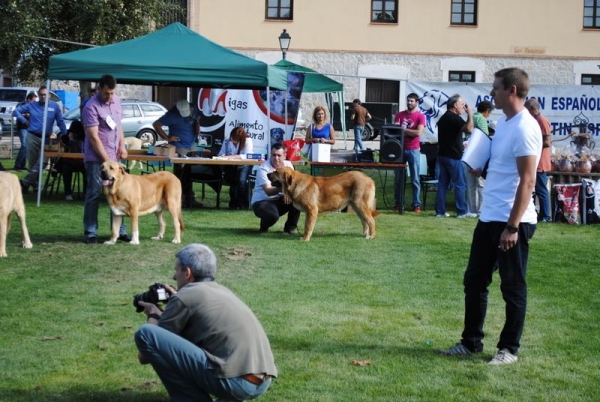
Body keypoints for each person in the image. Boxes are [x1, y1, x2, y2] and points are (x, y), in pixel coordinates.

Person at [437, 67, 542, 365]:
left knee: (512, 285)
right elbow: (504, 167)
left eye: (496, 87)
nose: (491, 92)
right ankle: (470, 343)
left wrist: (512, 227)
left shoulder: (524, 127)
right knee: (474, 280)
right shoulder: (506, 123)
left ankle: (508, 349)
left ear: (511, 90)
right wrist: (482, 167)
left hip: (513, 221)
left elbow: (528, 180)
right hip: (489, 217)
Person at [135, 243, 277, 402]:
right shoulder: (222, 291)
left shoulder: (184, 298)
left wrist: (153, 315)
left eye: (176, 270)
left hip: (236, 383)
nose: (174, 277)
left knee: (145, 333)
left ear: (187, 272)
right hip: (262, 381)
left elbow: (145, 355)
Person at [82, 74, 130, 244]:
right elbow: (94, 137)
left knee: (118, 193)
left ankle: (119, 232)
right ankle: (90, 232)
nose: (109, 96)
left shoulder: (116, 101)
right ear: (99, 88)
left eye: (112, 93)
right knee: (95, 193)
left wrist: (122, 146)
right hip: (97, 160)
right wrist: (107, 163)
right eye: (106, 93)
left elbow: (119, 126)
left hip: (115, 157)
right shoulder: (91, 107)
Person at [13, 86, 67, 193]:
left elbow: (60, 121)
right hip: (32, 136)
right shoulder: (32, 105)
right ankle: (36, 186)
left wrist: (65, 134)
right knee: (33, 163)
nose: (43, 96)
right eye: (41, 94)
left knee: (42, 163)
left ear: (49, 96)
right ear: (39, 95)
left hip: (47, 139)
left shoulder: (55, 106)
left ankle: (24, 182)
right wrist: (24, 121)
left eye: (45, 94)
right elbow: (16, 112)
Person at [153, 99, 200, 207]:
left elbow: (196, 122)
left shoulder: (193, 109)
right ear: (178, 109)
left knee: (190, 173)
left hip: (191, 145)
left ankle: (189, 198)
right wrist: (167, 138)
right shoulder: (171, 114)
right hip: (179, 147)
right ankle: (177, 199)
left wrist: (197, 127)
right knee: (180, 174)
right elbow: (156, 124)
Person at [434, 94, 472, 218]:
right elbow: (469, 129)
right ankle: (462, 211)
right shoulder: (454, 118)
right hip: (453, 156)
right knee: (460, 184)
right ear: (455, 106)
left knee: (442, 185)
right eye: (462, 105)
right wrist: (470, 113)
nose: (463, 107)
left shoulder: (444, 117)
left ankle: (440, 212)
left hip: (442, 155)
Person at [251, 142, 301, 234]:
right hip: (262, 202)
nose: (276, 158)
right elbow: (268, 191)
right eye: (273, 155)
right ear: (270, 155)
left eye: (279, 155)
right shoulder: (263, 169)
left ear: (284, 156)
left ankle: (290, 228)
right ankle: (264, 226)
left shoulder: (288, 165)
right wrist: (285, 189)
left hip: (279, 200)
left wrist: (288, 193)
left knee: (297, 199)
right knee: (272, 216)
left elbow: (293, 184)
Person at [393, 93, 426, 213]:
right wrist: (408, 131)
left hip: (414, 150)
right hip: (400, 149)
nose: (409, 103)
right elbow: (395, 132)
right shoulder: (399, 115)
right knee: (398, 179)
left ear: (417, 102)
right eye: (408, 101)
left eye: (412, 101)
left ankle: (416, 204)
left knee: (415, 178)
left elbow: (418, 133)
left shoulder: (420, 116)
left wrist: (404, 130)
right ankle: (399, 203)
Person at [464, 100, 494, 216]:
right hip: (478, 156)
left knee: (471, 186)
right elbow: (484, 139)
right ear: (486, 111)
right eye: (489, 113)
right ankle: (482, 210)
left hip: (467, 155)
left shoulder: (472, 117)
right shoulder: (481, 119)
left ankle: (471, 210)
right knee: (481, 185)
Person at [524, 98, 552, 223]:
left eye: (527, 109)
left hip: (540, 162)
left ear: (533, 109)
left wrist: (532, 143)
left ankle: (546, 215)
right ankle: (540, 214)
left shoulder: (542, 121)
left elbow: (547, 142)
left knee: (541, 190)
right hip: (535, 160)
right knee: (536, 189)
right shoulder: (535, 120)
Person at [218, 126, 254, 209]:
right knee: (233, 182)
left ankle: (243, 204)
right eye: (232, 138)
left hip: (244, 165)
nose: (233, 140)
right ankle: (234, 203)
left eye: (235, 139)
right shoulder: (227, 140)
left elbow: (247, 156)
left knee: (241, 182)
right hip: (231, 166)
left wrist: (233, 157)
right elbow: (221, 153)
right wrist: (224, 156)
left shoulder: (247, 141)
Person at [55, 120, 87, 201]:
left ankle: (86, 192)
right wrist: (68, 138)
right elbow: (60, 144)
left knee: (87, 170)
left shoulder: (84, 138)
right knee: (66, 169)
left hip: (81, 162)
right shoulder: (66, 136)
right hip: (69, 162)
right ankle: (68, 193)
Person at [13, 91, 37, 171]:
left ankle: (21, 164)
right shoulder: (21, 105)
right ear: (28, 99)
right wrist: (25, 116)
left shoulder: (32, 106)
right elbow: (15, 113)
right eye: (33, 100)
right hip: (22, 127)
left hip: (29, 128)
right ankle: (18, 164)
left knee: (26, 146)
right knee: (24, 145)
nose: (34, 102)